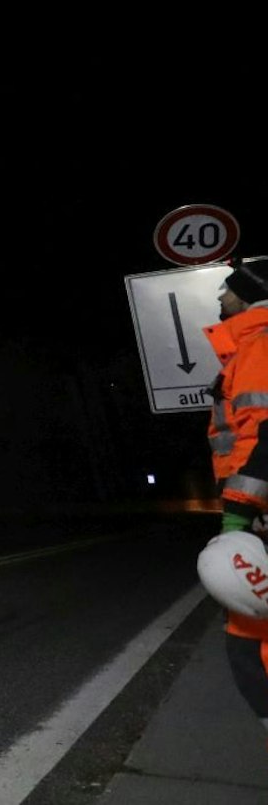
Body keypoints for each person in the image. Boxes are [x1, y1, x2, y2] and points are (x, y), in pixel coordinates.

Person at [202, 257, 268, 731]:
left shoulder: (261, 345)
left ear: (247, 296)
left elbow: (262, 434)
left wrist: (239, 511)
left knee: (249, 642)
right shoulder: (249, 345)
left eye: (227, 289)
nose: (221, 297)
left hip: (258, 512)